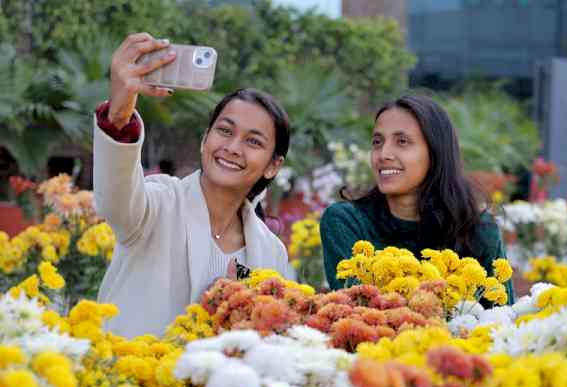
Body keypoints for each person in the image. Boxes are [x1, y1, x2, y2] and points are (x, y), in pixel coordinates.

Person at [93, 33, 293, 337]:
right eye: (225, 131)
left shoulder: (271, 253)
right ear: (204, 140)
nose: (233, 147)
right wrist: (118, 116)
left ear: (272, 165)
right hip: (128, 380)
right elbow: (115, 201)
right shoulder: (158, 204)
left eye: (253, 141)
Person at [320, 94, 514, 302]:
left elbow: (502, 322)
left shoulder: (477, 229)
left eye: (402, 141)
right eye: (377, 142)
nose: (383, 154)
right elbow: (356, 311)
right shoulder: (346, 222)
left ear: (435, 153)